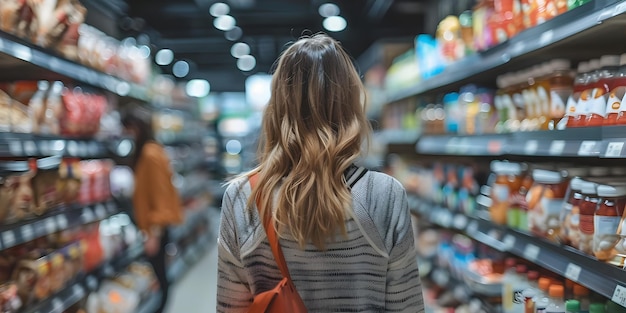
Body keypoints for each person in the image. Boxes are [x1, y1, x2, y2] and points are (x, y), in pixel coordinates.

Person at [217, 33, 424, 312]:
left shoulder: (243, 196)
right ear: (351, 102)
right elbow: (406, 306)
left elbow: (230, 307)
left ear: (277, 106)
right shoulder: (383, 193)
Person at [122, 110, 183, 313]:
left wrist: (153, 233)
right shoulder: (151, 150)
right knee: (160, 273)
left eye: (127, 130)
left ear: (137, 128)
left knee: (161, 274)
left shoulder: (150, 154)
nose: (126, 135)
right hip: (153, 226)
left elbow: (160, 195)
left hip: (156, 227)